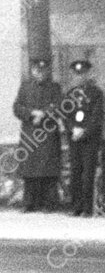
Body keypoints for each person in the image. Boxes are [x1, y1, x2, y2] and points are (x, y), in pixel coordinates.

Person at [13, 57, 62, 212]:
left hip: (47, 134)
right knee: (30, 170)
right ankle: (29, 203)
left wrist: (44, 114)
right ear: (33, 71)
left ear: (47, 71)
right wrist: (31, 113)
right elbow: (17, 107)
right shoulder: (25, 88)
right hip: (30, 134)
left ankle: (49, 203)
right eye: (37, 70)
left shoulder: (55, 88)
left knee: (48, 169)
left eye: (43, 70)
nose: (40, 73)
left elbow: (60, 106)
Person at [64, 59, 105, 217]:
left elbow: (97, 117)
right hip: (74, 138)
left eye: (82, 74)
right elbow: (66, 116)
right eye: (76, 74)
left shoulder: (97, 93)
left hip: (90, 139)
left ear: (88, 74)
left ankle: (88, 208)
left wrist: (84, 131)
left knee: (88, 173)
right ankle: (77, 206)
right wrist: (72, 129)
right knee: (75, 172)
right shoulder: (70, 94)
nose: (79, 77)